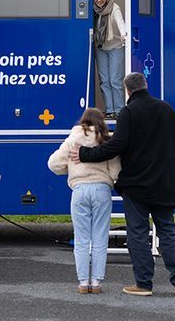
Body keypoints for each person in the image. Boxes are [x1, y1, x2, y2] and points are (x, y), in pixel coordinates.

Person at [69, 72, 175, 297]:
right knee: (167, 230)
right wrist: (166, 166)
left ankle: (144, 284)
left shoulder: (129, 112)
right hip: (165, 183)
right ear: (145, 85)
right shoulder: (166, 109)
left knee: (138, 233)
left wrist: (85, 154)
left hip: (136, 185)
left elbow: (116, 145)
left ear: (127, 90)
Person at [47, 107, 121, 294]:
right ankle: (95, 282)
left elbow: (53, 164)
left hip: (79, 190)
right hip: (101, 190)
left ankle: (82, 282)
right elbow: (115, 172)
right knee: (100, 237)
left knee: (81, 239)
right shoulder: (106, 140)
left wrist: (71, 168)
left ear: (83, 121)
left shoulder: (73, 139)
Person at [93, 0, 127, 120]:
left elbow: (120, 23)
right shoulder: (94, 10)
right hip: (100, 47)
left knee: (115, 80)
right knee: (104, 81)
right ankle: (109, 110)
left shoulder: (114, 8)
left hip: (115, 47)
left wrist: (124, 35)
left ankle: (119, 111)